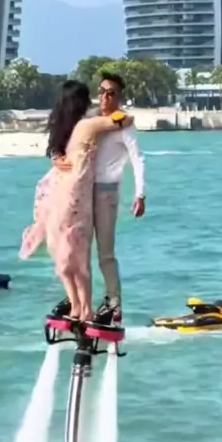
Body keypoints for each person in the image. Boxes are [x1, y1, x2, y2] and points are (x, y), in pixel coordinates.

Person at [19, 80, 133, 321]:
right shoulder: (85, 126)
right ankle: (86, 309)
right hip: (77, 200)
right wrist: (117, 109)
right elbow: (125, 119)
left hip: (56, 198)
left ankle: (75, 306)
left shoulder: (63, 129)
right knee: (80, 258)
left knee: (63, 257)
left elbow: (56, 152)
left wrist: (57, 156)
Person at [54, 72, 145, 324]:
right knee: (77, 250)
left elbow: (137, 159)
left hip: (106, 192)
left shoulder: (125, 125)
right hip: (82, 192)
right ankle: (78, 302)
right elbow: (66, 141)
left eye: (111, 93)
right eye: (102, 91)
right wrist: (56, 158)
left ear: (119, 97)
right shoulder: (91, 119)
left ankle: (113, 302)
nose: (105, 97)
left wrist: (140, 194)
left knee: (105, 252)